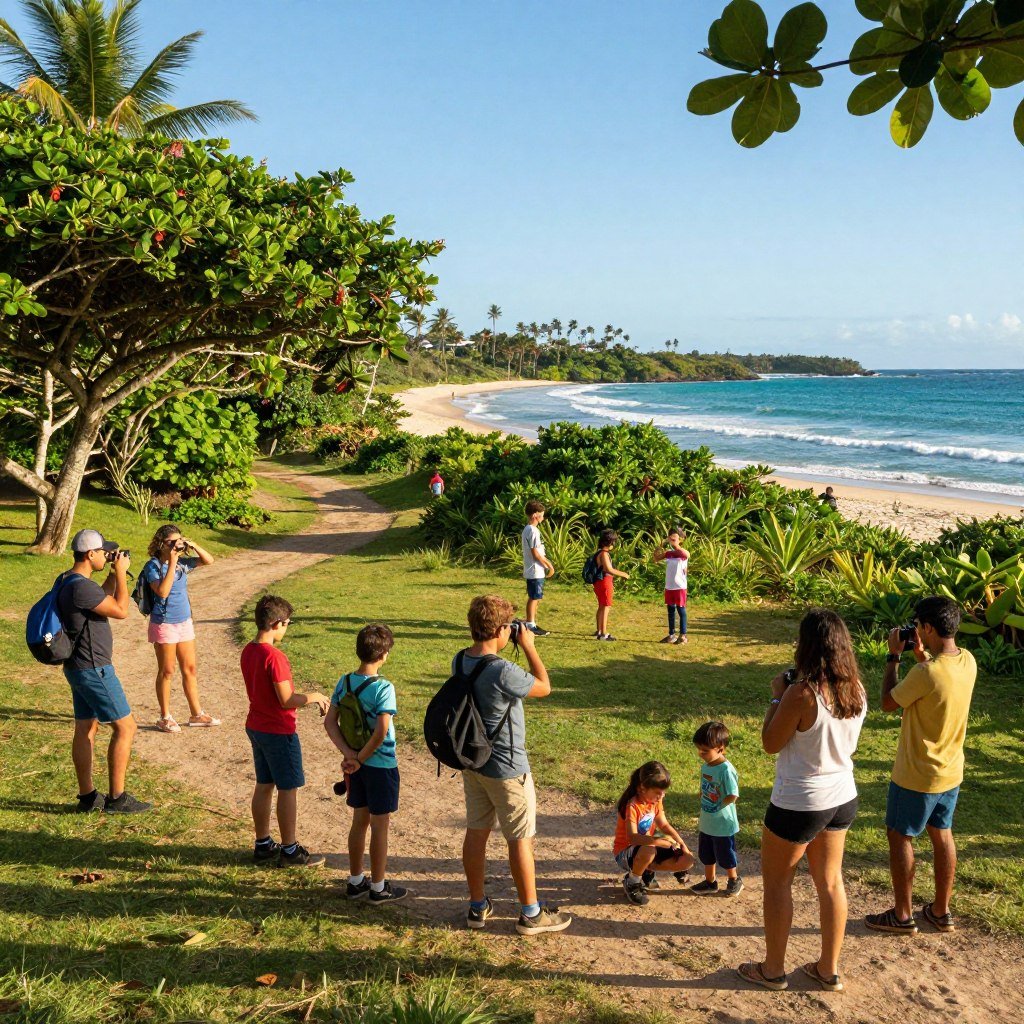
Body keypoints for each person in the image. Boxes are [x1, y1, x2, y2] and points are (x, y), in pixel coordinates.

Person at [738, 609, 866, 994]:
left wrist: (777, 697)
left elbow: (769, 743)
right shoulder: (855, 687)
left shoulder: (801, 693)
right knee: (830, 881)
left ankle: (773, 970)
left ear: (805, 645)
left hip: (799, 800)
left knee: (778, 883)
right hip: (842, 795)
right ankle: (828, 970)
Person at [458, 594, 571, 935]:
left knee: (476, 833)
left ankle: (477, 907)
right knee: (520, 839)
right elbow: (544, 687)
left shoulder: (461, 659)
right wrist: (531, 646)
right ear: (502, 629)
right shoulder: (502, 670)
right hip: (507, 767)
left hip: (473, 762)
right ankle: (531, 914)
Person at [866, 596, 977, 936]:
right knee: (942, 834)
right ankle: (940, 911)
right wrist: (920, 654)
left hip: (916, 774)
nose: (915, 630)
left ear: (928, 627)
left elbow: (887, 702)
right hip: (950, 771)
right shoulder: (967, 661)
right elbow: (937, 683)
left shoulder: (925, 672)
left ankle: (902, 916)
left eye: (918, 625)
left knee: (899, 836)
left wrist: (894, 656)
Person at [58, 529, 151, 814]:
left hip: (78, 667)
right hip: (94, 668)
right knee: (126, 727)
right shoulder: (81, 587)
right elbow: (121, 610)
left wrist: (111, 574)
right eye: (103, 552)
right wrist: (122, 573)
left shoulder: (68, 580)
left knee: (86, 728)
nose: (108, 555)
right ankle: (117, 798)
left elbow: (101, 600)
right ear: (90, 554)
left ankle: (88, 798)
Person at [242, 595, 330, 868]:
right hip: (279, 731)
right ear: (277, 623)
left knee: (264, 785)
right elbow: (286, 699)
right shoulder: (274, 657)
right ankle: (290, 849)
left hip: (256, 726)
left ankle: (263, 843)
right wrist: (314, 696)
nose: (287, 629)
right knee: (288, 788)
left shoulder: (249, 650)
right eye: (287, 624)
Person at [325, 623, 407, 904]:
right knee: (380, 826)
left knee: (359, 821)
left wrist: (349, 754)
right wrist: (360, 759)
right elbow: (382, 730)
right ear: (384, 654)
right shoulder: (384, 687)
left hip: (355, 764)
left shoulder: (344, 681)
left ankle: (356, 879)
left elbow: (329, 722)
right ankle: (378, 886)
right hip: (380, 765)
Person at [141, 525, 219, 733]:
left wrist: (194, 545)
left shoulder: (183, 563)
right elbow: (163, 592)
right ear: (161, 544)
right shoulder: (153, 567)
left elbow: (209, 561)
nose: (175, 546)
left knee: (190, 669)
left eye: (178, 542)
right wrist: (172, 560)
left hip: (184, 622)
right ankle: (164, 717)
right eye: (170, 543)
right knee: (167, 671)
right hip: (164, 623)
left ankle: (197, 714)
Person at [613, 760, 694, 906]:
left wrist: (683, 846)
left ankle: (645, 872)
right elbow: (633, 838)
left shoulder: (655, 802)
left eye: (663, 792)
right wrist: (659, 842)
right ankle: (633, 882)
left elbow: (664, 825)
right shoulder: (632, 805)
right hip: (625, 853)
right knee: (650, 850)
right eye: (658, 792)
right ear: (643, 787)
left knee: (687, 860)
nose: (662, 796)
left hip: (646, 848)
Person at [691, 721, 742, 896]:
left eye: (705, 751)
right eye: (699, 750)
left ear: (720, 748)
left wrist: (718, 806)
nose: (701, 754)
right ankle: (710, 882)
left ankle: (734, 880)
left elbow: (732, 795)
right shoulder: (706, 766)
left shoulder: (726, 770)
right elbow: (706, 784)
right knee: (706, 854)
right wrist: (701, 794)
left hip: (722, 823)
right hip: (707, 821)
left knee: (725, 854)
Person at [521, 500, 555, 636]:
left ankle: (532, 621)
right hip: (535, 570)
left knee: (536, 597)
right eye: (541, 515)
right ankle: (530, 624)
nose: (543, 517)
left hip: (535, 570)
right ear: (535, 515)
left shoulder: (528, 529)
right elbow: (536, 553)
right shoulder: (533, 530)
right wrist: (549, 565)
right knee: (534, 597)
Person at [653, 527, 690, 644]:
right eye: (671, 538)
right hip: (669, 586)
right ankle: (671, 635)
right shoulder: (669, 553)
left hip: (680, 587)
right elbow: (656, 559)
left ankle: (683, 636)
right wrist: (658, 549)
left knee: (681, 610)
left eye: (675, 538)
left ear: (680, 539)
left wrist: (676, 545)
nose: (672, 540)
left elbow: (686, 554)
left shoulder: (682, 552)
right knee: (670, 610)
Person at [593, 529, 629, 641]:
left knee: (601, 606)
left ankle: (599, 630)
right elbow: (608, 569)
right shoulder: (604, 554)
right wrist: (623, 574)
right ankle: (603, 634)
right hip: (605, 581)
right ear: (610, 542)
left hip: (599, 582)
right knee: (606, 606)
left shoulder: (598, 552)